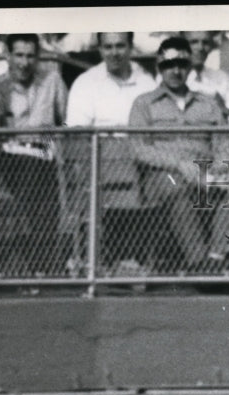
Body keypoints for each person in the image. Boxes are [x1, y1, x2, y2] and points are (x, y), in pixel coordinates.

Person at [128, 36, 229, 273]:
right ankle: (198, 262)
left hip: (205, 173)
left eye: (181, 64)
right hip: (164, 175)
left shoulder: (208, 103)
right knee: (176, 188)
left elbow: (224, 145)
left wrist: (217, 170)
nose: (175, 71)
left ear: (190, 66)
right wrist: (179, 164)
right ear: (159, 67)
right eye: (168, 65)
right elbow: (139, 148)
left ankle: (217, 257)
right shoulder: (144, 103)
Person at [0, 33, 68, 276]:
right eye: (19, 55)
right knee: (27, 176)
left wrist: (51, 143)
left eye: (30, 56)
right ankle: (32, 269)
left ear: (38, 57)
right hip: (9, 159)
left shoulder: (52, 81)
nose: (24, 62)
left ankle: (40, 270)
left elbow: (66, 122)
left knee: (41, 187)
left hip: (45, 156)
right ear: (7, 55)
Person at [66, 32, 156, 274]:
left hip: (142, 161)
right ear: (99, 49)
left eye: (120, 46)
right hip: (99, 160)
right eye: (108, 47)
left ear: (131, 47)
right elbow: (77, 134)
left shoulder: (146, 81)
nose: (114, 53)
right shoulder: (86, 82)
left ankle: (128, 262)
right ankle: (122, 261)